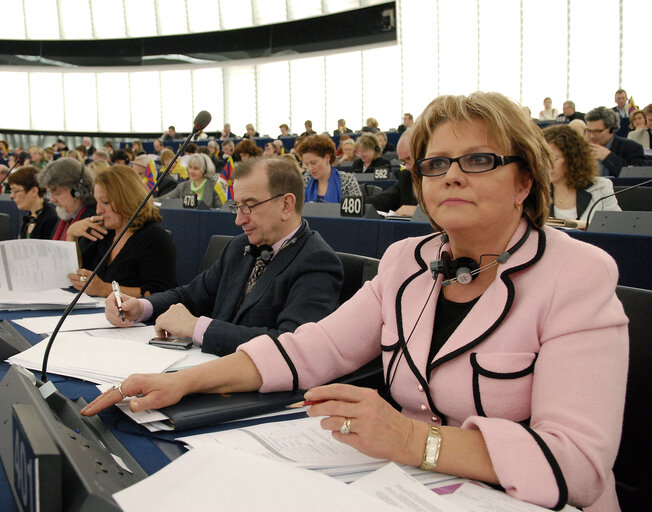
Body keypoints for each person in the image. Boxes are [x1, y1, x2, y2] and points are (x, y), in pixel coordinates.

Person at [82, 92, 628, 512]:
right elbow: (313, 348)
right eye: (435, 164)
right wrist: (185, 382)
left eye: (479, 159)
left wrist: (415, 440)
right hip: (402, 488)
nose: (452, 175)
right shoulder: (405, 261)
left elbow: (576, 463)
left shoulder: (576, 275)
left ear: (525, 181)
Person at [98, 157, 343, 356]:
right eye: (236, 207)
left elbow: (289, 344)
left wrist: (197, 327)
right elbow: (189, 295)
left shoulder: (317, 261)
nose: (239, 219)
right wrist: (140, 307)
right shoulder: (239, 247)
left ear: (286, 205)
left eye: (249, 205)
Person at [65, 166, 176, 298]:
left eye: (105, 202)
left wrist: (105, 289)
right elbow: (78, 275)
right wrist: (71, 235)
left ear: (126, 200)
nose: (98, 210)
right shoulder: (106, 233)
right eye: (97, 202)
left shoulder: (154, 238)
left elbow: (159, 293)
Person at [543, 125, 621, 229]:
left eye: (555, 158)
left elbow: (617, 227)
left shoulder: (601, 187)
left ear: (573, 159)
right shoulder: (535, 191)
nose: (548, 165)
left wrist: (586, 226)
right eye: (543, 158)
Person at [38, 157, 96, 241]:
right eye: (49, 193)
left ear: (77, 190)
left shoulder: (92, 221)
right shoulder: (65, 217)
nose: (52, 200)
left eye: (56, 192)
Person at [296, 135, 361, 203]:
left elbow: (356, 212)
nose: (310, 169)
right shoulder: (305, 180)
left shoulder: (347, 181)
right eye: (307, 164)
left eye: (313, 163)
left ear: (327, 158)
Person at [585, 106, 646, 177]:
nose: (592, 136)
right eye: (589, 131)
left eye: (597, 131)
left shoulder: (632, 148)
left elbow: (638, 176)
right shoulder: (580, 149)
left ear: (612, 129)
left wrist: (608, 157)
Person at [369, 130, 418, 216]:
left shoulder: (445, 177)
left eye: (409, 159)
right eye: (404, 162)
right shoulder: (407, 177)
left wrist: (418, 211)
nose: (408, 167)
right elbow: (383, 199)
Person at [7, 165, 59, 240]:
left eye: (16, 191)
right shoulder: (27, 218)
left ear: (34, 191)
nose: (12, 196)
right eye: (11, 191)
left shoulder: (51, 220)